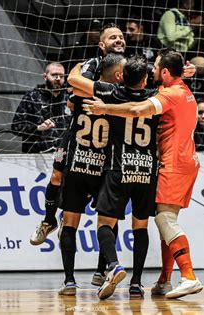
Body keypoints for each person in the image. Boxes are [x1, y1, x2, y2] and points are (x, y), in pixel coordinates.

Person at [84, 48, 202, 299]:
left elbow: (138, 110)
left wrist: (104, 108)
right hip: (183, 161)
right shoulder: (180, 89)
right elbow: (156, 83)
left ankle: (189, 276)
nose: (153, 70)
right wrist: (188, 71)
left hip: (173, 163)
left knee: (165, 221)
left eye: (157, 67)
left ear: (166, 72)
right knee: (164, 220)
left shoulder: (169, 94)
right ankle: (164, 281)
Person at [69, 54, 159, 299]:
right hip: (147, 170)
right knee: (140, 226)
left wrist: (82, 64)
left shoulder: (112, 92)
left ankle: (114, 265)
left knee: (104, 224)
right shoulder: (157, 95)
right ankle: (137, 283)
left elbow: (75, 80)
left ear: (122, 76)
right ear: (144, 79)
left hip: (119, 169)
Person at [53, 53, 126, 296]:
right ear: (116, 74)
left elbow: (73, 83)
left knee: (70, 223)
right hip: (104, 166)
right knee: (106, 223)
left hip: (78, 164)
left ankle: (69, 282)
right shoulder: (118, 95)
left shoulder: (80, 92)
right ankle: (108, 267)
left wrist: (78, 66)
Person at [12, 62, 70, 154]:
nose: (58, 78)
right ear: (45, 77)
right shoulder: (31, 97)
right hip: (35, 156)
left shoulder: (69, 99)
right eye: (54, 75)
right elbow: (16, 127)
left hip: (62, 155)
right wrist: (38, 128)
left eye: (61, 76)